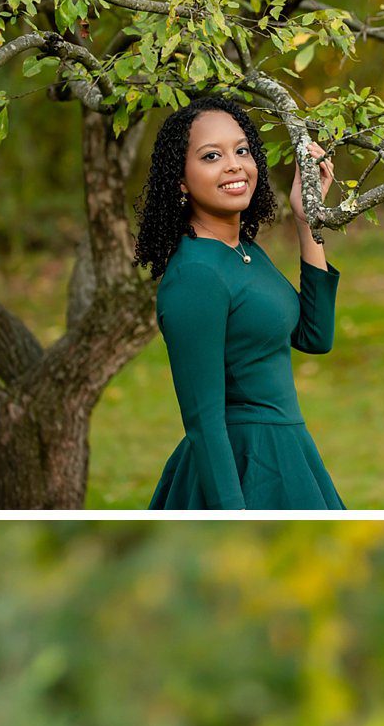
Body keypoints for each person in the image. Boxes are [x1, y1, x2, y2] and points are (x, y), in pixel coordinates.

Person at [134, 94, 345, 510]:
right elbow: (204, 422)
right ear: (180, 179)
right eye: (211, 156)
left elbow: (315, 336)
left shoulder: (244, 251)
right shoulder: (196, 275)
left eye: (242, 150)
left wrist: (307, 221)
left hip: (288, 450)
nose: (234, 165)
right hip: (242, 465)